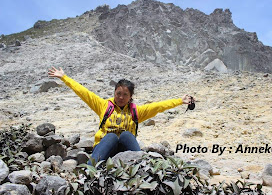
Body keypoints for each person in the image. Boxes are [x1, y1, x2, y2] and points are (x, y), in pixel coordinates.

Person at [48, 66, 194, 164]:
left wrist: (180, 101)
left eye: (125, 94)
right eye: (118, 93)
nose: (121, 97)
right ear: (114, 93)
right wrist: (64, 77)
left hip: (125, 151)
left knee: (126, 135)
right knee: (111, 136)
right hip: (105, 148)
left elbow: (158, 106)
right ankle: (90, 170)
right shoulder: (104, 106)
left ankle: (141, 167)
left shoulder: (136, 111)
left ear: (130, 96)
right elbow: (84, 92)